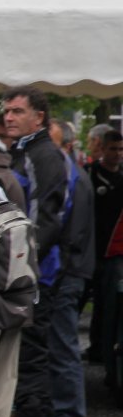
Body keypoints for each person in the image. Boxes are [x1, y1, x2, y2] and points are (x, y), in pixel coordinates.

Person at [3, 86, 92, 417]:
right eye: (7, 110)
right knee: (29, 354)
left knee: (33, 355)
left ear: (38, 117)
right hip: (33, 270)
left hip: (39, 273)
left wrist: (22, 265)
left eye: (17, 111)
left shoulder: (43, 155)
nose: (9, 117)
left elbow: (45, 219)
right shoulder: (27, 152)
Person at [89, 129, 123, 370]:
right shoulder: (90, 175)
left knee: (109, 305)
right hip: (91, 250)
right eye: (113, 149)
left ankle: (104, 351)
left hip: (114, 253)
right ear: (102, 149)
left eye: (121, 149)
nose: (117, 154)